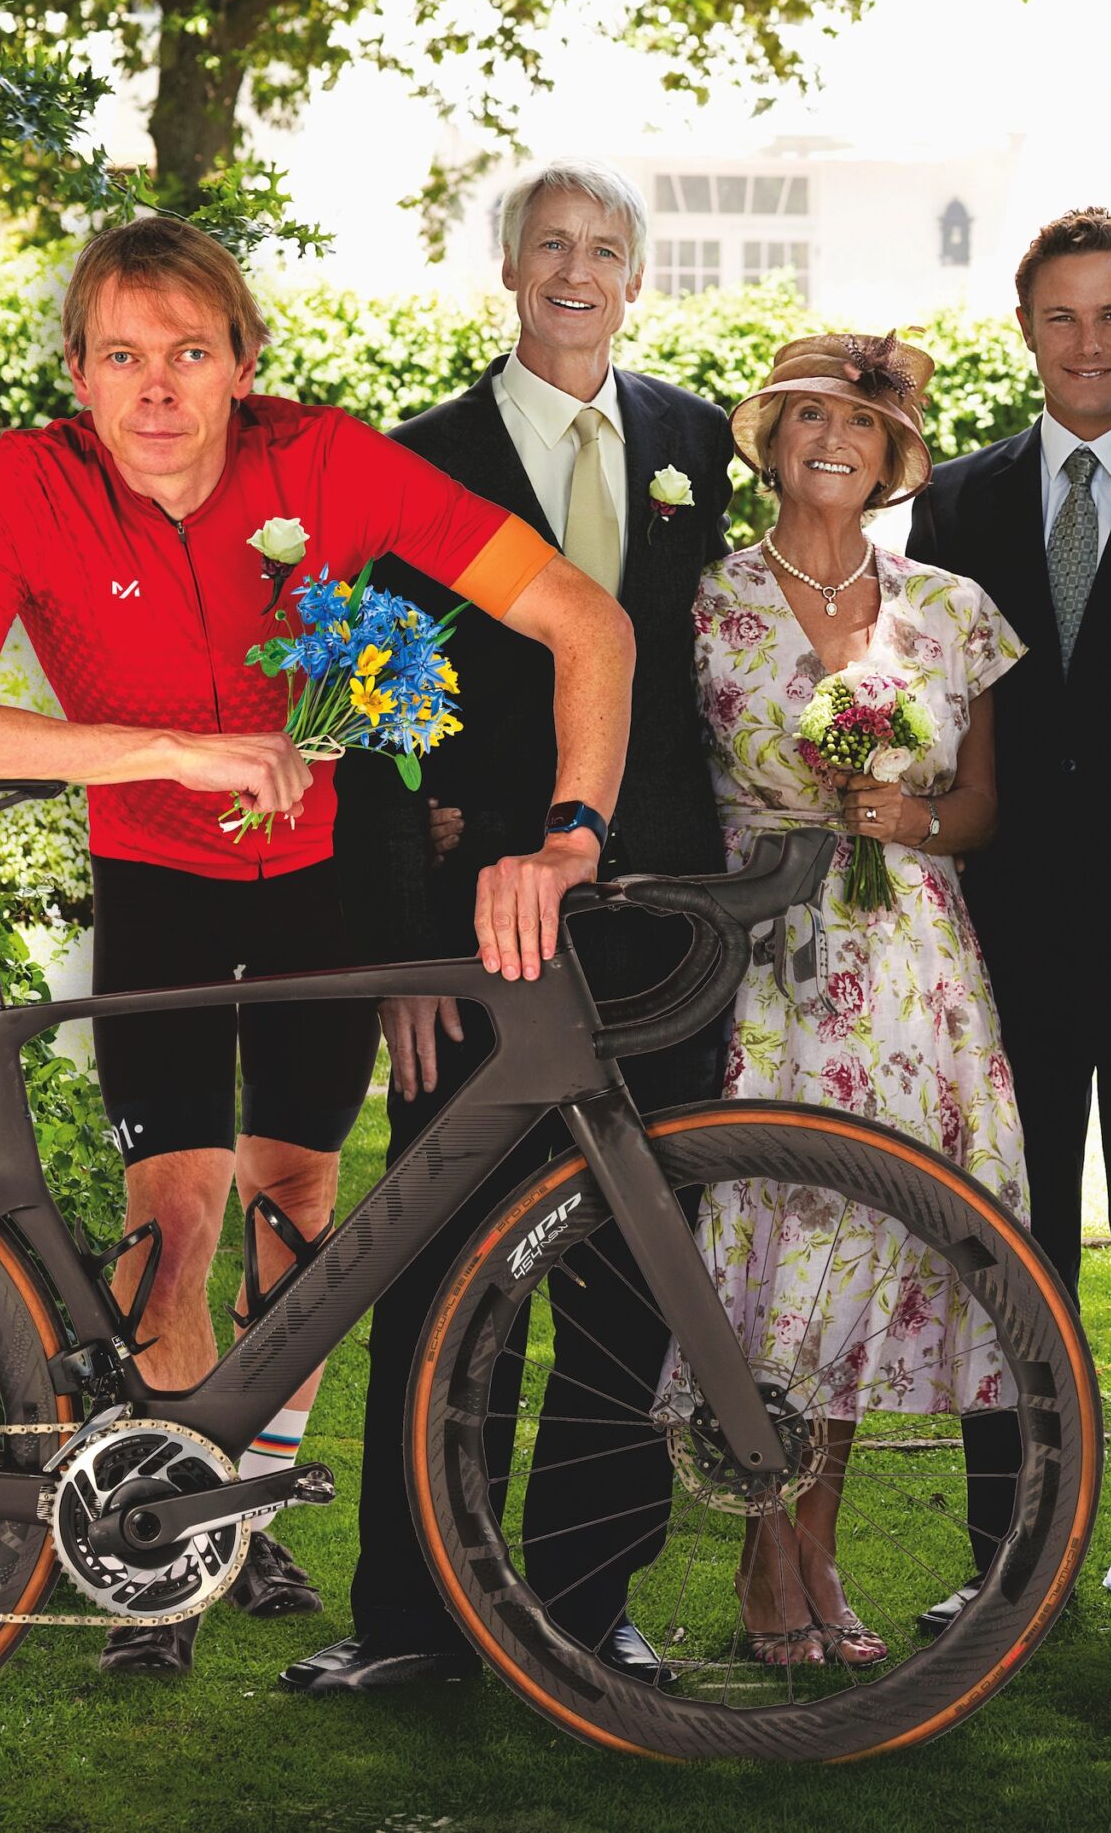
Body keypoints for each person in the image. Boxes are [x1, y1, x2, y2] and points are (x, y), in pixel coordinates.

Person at [0, 214, 631, 1676]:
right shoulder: (25, 483)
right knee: (182, 1209)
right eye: (121, 358)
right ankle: (153, 1548)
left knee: (299, 1202)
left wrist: (574, 826)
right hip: (154, 880)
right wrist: (178, 747)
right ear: (80, 381)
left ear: (244, 366)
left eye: (189, 354)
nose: (156, 390)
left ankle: (232, 1509)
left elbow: (584, 621)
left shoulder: (329, 461)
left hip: (316, 887)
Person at [291, 159, 733, 1695]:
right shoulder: (419, 458)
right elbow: (357, 727)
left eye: (604, 249)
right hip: (474, 933)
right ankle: (413, 1617)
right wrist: (402, 947)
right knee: (434, 1271)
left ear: (634, 278)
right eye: (551, 245)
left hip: (659, 923)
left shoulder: (695, 442)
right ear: (508, 267)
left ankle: (582, 1605)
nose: (577, 271)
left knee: (633, 1270)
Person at [650, 331, 1025, 1667]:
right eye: (810, 415)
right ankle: (775, 1559)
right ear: (772, 437)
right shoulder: (703, 602)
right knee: (777, 1254)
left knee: (865, 1262)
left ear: (888, 458)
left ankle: (813, 1551)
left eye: (861, 425)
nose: (834, 439)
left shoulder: (953, 607)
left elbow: (981, 808)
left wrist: (909, 808)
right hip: (769, 964)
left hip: (917, 976)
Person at [902, 207, 1111, 1633]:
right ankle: (1010, 1560)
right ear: (1027, 329)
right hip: (1004, 944)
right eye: (1063, 316)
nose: (1091, 343)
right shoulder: (958, 503)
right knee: (1006, 1260)